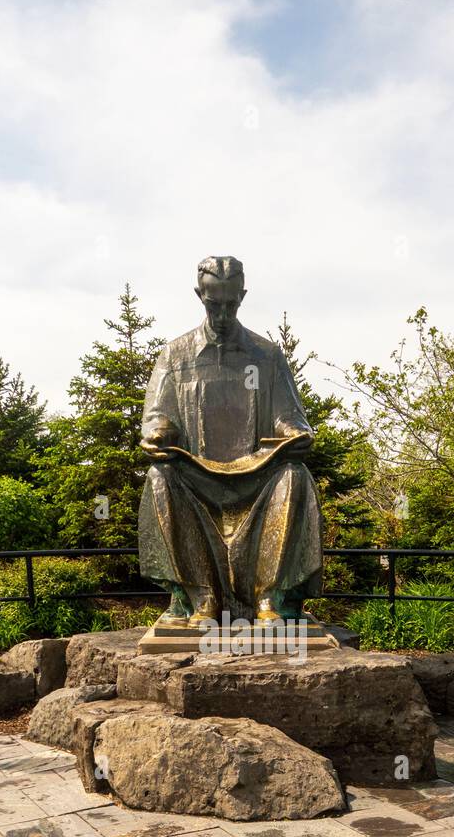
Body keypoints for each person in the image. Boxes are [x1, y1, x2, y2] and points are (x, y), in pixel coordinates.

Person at [138, 255, 322, 625]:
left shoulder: (267, 356)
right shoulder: (175, 355)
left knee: (294, 475)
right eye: (214, 304)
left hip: (257, 480)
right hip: (197, 481)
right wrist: (158, 433)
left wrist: (295, 433)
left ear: (242, 297)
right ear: (199, 296)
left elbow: (289, 416)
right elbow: (157, 415)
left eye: (230, 304)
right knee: (160, 477)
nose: (222, 314)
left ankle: (268, 597)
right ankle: (201, 596)